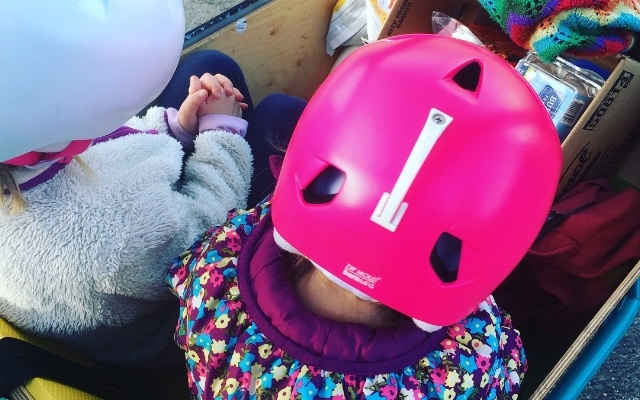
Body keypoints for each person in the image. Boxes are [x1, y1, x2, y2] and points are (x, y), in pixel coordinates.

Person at [167, 34, 564, 398]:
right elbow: (508, 368)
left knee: (275, 111)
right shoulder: (469, 361)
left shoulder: (218, 276)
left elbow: (187, 278)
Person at [0, 2, 254, 366]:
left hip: (124, 248)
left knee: (208, 67)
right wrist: (222, 134)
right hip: (174, 314)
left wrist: (176, 130)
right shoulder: (109, 233)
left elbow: (106, 146)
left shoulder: (28, 144)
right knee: (279, 114)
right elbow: (209, 234)